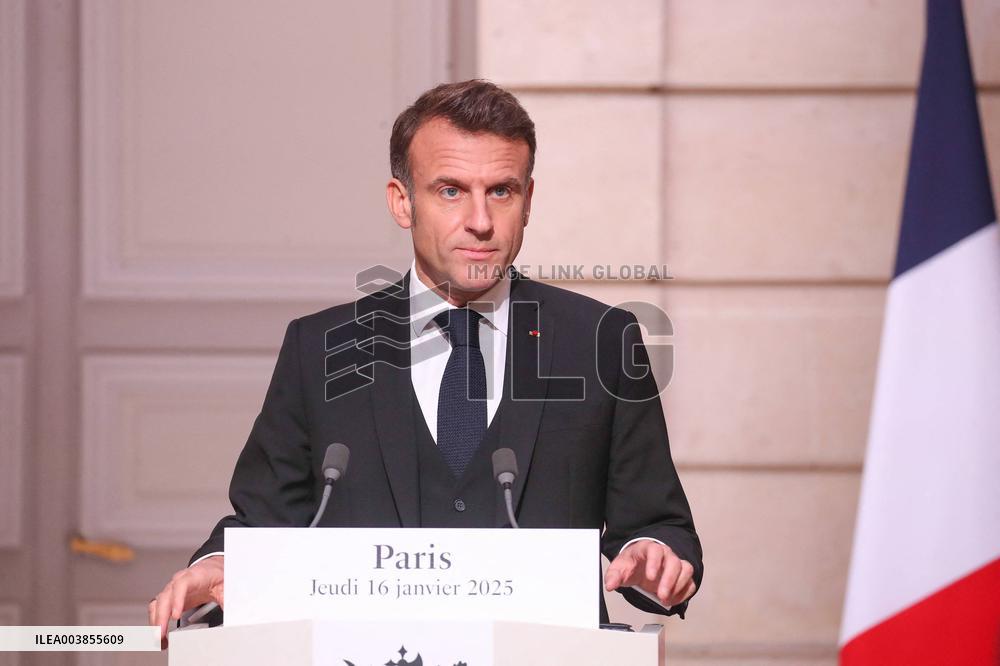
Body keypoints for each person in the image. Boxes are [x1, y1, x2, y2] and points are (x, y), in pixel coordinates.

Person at [148, 80, 702, 641]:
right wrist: (219, 565)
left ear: (528, 201)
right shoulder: (320, 348)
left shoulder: (602, 340)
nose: (481, 221)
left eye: (502, 191)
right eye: (451, 191)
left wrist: (653, 554)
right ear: (402, 201)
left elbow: (657, 524)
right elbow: (263, 523)